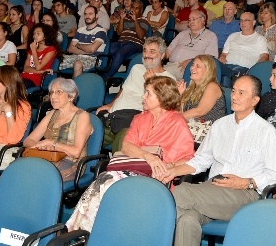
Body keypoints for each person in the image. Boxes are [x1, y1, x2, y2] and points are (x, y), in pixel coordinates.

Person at [161, 75, 276, 246]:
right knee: (187, 220)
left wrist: (247, 182)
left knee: (181, 192)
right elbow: (201, 160)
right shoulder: (220, 125)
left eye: (242, 93)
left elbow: (274, 175)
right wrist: (174, 170)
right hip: (213, 189)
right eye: (233, 91)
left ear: (255, 100)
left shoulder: (266, 131)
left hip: (244, 194)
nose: (235, 96)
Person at [67, 76, 195, 232]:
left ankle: (83, 232)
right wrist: (149, 157)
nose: (143, 97)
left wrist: (168, 166)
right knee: (103, 181)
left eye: (148, 93)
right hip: (132, 169)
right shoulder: (140, 118)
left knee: (107, 183)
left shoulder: (177, 122)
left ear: (162, 98)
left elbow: (189, 159)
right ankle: (82, 231)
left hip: (159, 177)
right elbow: (126, 146)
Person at [97, 37, 176, 151]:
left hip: (133, 123)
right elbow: (124, 90)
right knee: (85, 136)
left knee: (123, 146)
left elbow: (163, 109)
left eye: (152, 51)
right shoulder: (136, 68)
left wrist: (152, 82)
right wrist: (110, 105)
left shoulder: (168, 79)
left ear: (162, 55)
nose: (146, 55)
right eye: (144, 50)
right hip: (112, 116)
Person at [23, 77, 92, 181]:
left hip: (71, 163)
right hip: (47, 157)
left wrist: (51, 143)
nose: (53, 96)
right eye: (51, 92)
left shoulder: (82, 116)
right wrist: (41, 148)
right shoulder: (52, 114)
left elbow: (76, 152)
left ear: (71, 96)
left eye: (59, 92)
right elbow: (28, 141)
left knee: (35, 177)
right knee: (16, 170)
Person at [178, 55, 226, 144]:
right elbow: (182, 113)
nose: (192, 68)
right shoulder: (190, 89)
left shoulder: (212, 86)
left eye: (198, 66)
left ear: (207, 70)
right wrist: (181, 96)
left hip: (208, 135)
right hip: (192, 131)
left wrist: (173, 119)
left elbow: (200, 111)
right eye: (193, 65)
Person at [100, 1, 149, 79]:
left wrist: (135, 20)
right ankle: (100, 70)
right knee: (105, 49)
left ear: (141, 10)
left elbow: (140, 35)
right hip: (121, 42)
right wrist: (122, 19)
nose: (134, 10)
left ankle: (105, 77)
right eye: (133, 8)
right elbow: (119, 33)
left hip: (134, 44)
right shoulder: (126, 18)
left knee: (119, 54)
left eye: (137, 8)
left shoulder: (144, 20)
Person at [164, 10, 218, 80]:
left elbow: (209, 58)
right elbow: (169, 50)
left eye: (194, 19)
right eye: (189, 20)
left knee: (160, 74)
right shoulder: (182, 34)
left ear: (202, 20)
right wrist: (161, 56)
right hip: (170, 65)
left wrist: (192, 60)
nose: (191, 22)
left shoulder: (210, 36)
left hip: (188, 68)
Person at [219, 12, 268, 85]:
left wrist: (255, 68)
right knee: (212, 62)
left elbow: (264, 56)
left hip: (244, 68)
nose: (243, 23)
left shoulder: (260, 38)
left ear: (254, 22)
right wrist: (222, 57)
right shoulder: (233, 36)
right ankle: (231, 75)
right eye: (241, 20)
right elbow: (224, 53)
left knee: (226, 77)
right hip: (226, 66)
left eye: (246, 20)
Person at [60, 6, 108, 78]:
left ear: (96, 16)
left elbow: (92, 49)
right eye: (85, 14)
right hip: (76, 57)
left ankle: (75, 89)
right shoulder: (80, 30)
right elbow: (70, 49)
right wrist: (86, 51)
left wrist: (78, 45)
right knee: (56, 59)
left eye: (90, 14)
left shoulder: (101, 31)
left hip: (93, 59)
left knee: (78, 64)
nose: (87, 16)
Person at [21, 23, 61, 88]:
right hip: (22, 77)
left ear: (45, 36)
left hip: (34, 80)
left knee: (16, 88)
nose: (35, 36)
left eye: (38, 33)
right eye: (34, 34)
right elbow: (26, 69)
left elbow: (38, 67)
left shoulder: (50, 49)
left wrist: (34, 50)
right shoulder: (31, 49)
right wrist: (41, 71)